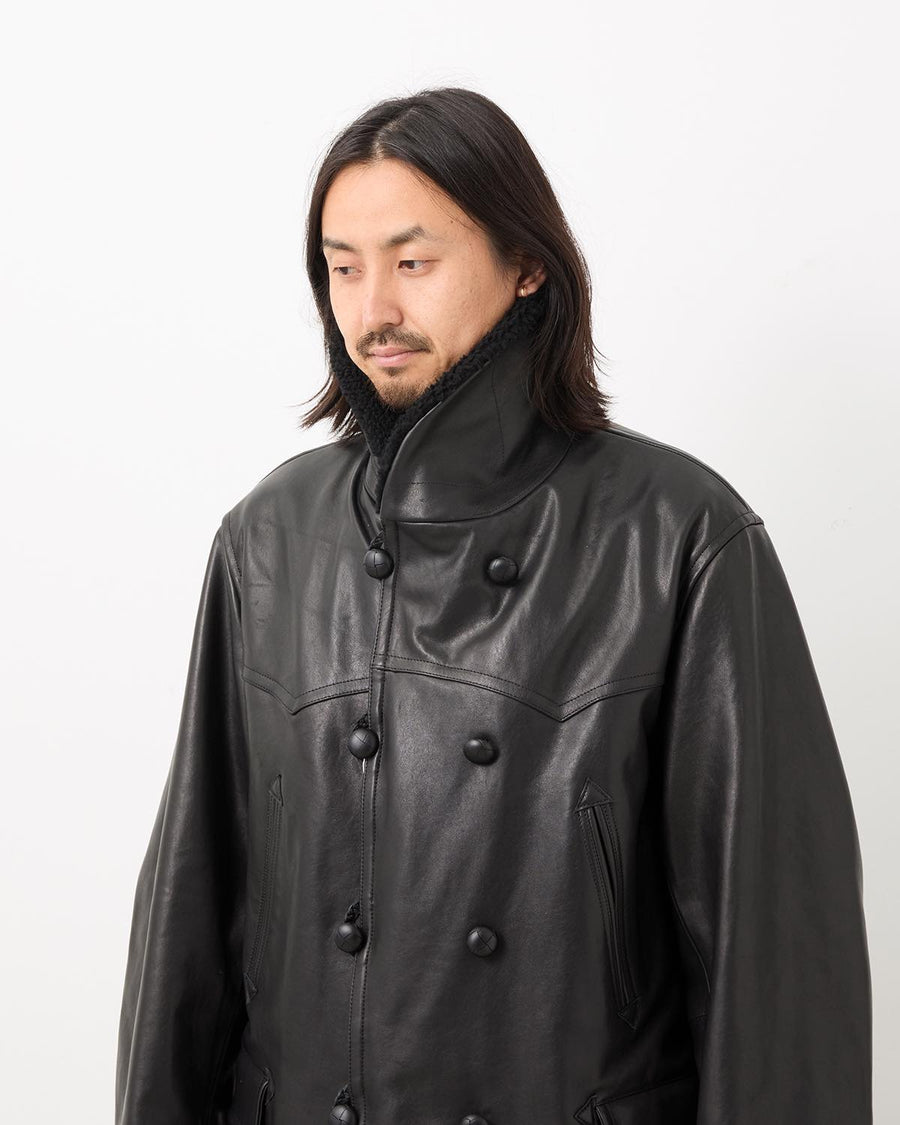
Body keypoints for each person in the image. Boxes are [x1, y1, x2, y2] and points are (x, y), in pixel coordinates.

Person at [115, 86, 872, 1125]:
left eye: (412, 262)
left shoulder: (675, 536)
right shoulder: (271, 539)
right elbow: (190, 925)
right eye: (343, 268)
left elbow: (773, 964)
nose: (372, 310)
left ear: (527, 265)